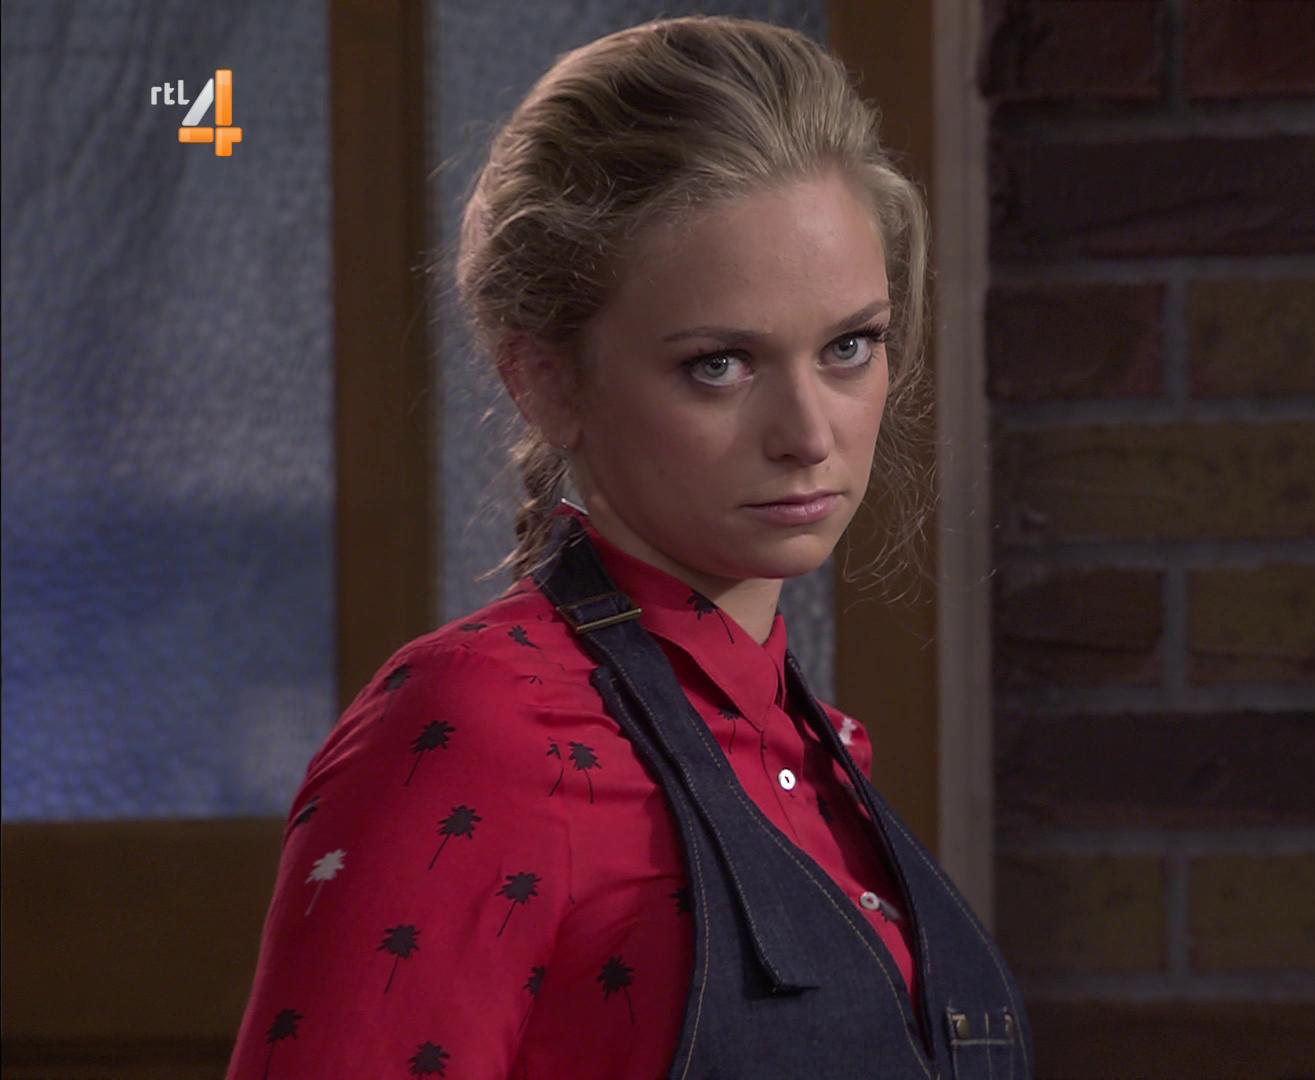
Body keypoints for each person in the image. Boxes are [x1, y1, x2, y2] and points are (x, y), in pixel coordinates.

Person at [223, 16, 1030, 1079]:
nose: (808, 432)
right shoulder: (479, 732)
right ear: (545, 380)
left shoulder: (816, 751)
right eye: (719, 364)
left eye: (849, 346)